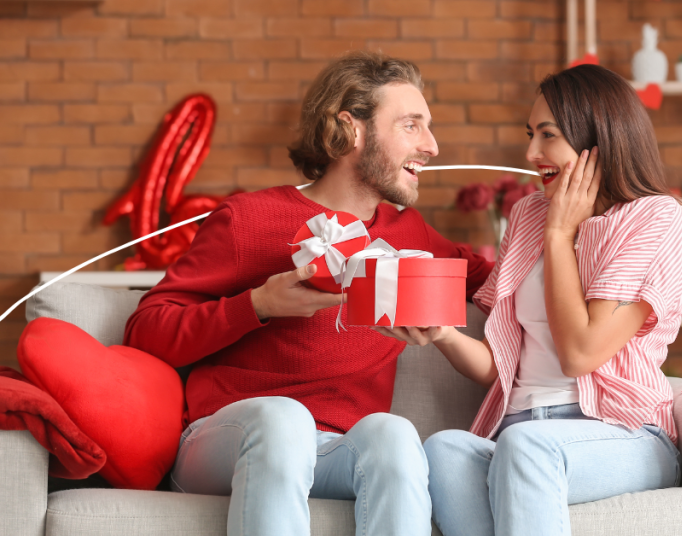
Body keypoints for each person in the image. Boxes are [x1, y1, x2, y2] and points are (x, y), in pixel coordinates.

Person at [123, 51, 492, 536]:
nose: (432, 145)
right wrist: (258, 305)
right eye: (411, 125)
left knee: (395, 435)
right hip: (228, 442)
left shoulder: (411, 235)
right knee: (284, 420)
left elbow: (499, 280)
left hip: (337, 450)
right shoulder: (248, 220)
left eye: (429, 127)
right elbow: (145, 332)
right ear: (352, 129)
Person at [374, 64, 682, 536]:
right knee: (444, 450)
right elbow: (499, 366)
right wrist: (443, 333)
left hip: (620, 432)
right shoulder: (527, 214)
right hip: (519, 430)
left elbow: (579, 353)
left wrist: (561, 233)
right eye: (531, 134)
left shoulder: (652, 220)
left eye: (547, 135)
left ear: (599, 140)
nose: (531, 153)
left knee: (527, 446)